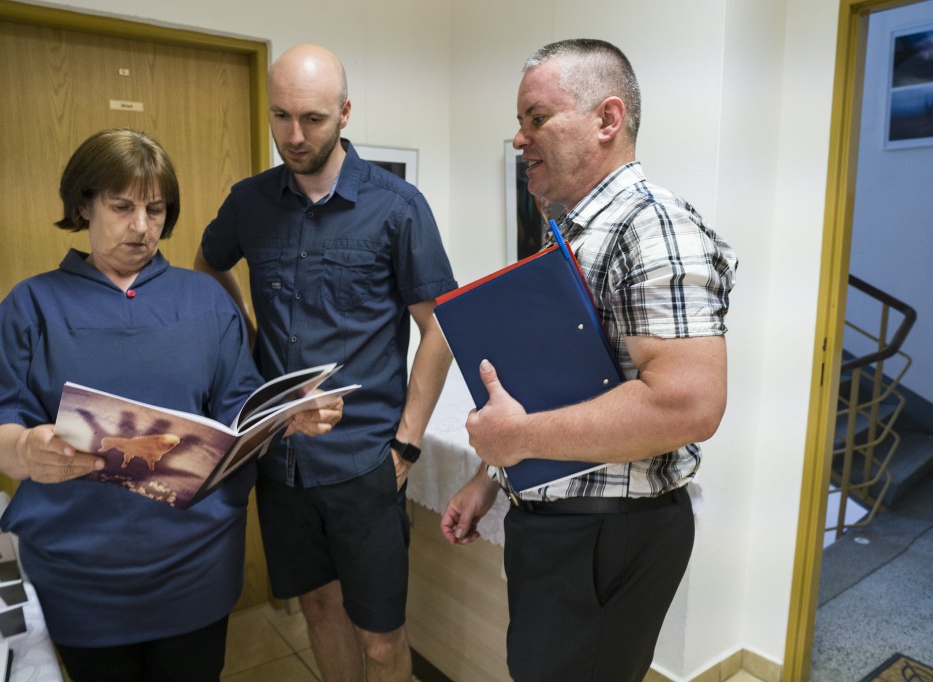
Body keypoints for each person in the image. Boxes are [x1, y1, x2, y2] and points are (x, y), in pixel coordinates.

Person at [0, 128, 341, 682]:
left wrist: (287, 416)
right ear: (84, 205)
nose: (141, 227)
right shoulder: (32, 304)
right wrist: (25, 449)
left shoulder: (206, 300)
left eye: (155, 209)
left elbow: (239, 412)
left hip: (195, 565)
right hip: (80, 575)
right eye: (122, 207)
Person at [440, 39, 738, 682]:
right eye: (520, 122)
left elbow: (688, 405)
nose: (519, 138)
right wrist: (492, 474)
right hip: (565, 528)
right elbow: (561, 386)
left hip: (605, 537)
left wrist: (519, 439)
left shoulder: (653, 227)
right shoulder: (577, 231)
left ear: (607, 119)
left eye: (537, 118)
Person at [195, 43, 456, 682]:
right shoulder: (249, 202)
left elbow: (441, 328)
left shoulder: (397, 206)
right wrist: (248, 334)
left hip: (365, 462)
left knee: (382, 642)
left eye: (311, 119)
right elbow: (208, 265)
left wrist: (406, 445)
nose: (293, 136)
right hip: (280, 459)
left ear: (344, 112)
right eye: (280, 116)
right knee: (317, 607)